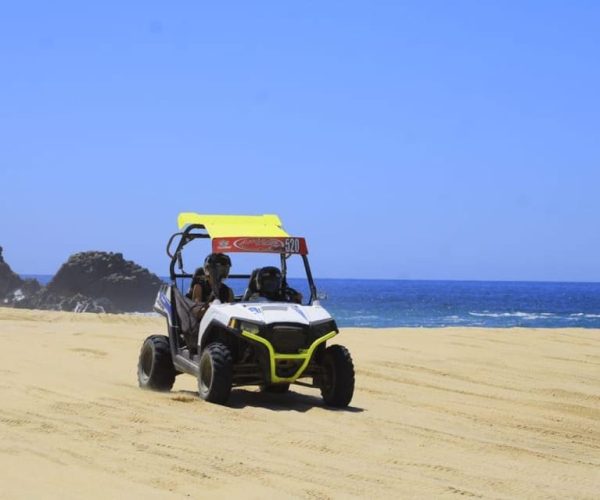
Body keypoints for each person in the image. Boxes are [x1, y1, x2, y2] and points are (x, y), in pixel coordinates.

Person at [191, 253, 234, 319]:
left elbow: (231, 315)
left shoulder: (228, 291)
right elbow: (197, 314)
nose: (225, 269)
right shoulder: (199, 287)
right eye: (221, 267)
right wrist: (211, 306)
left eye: (226, 267)